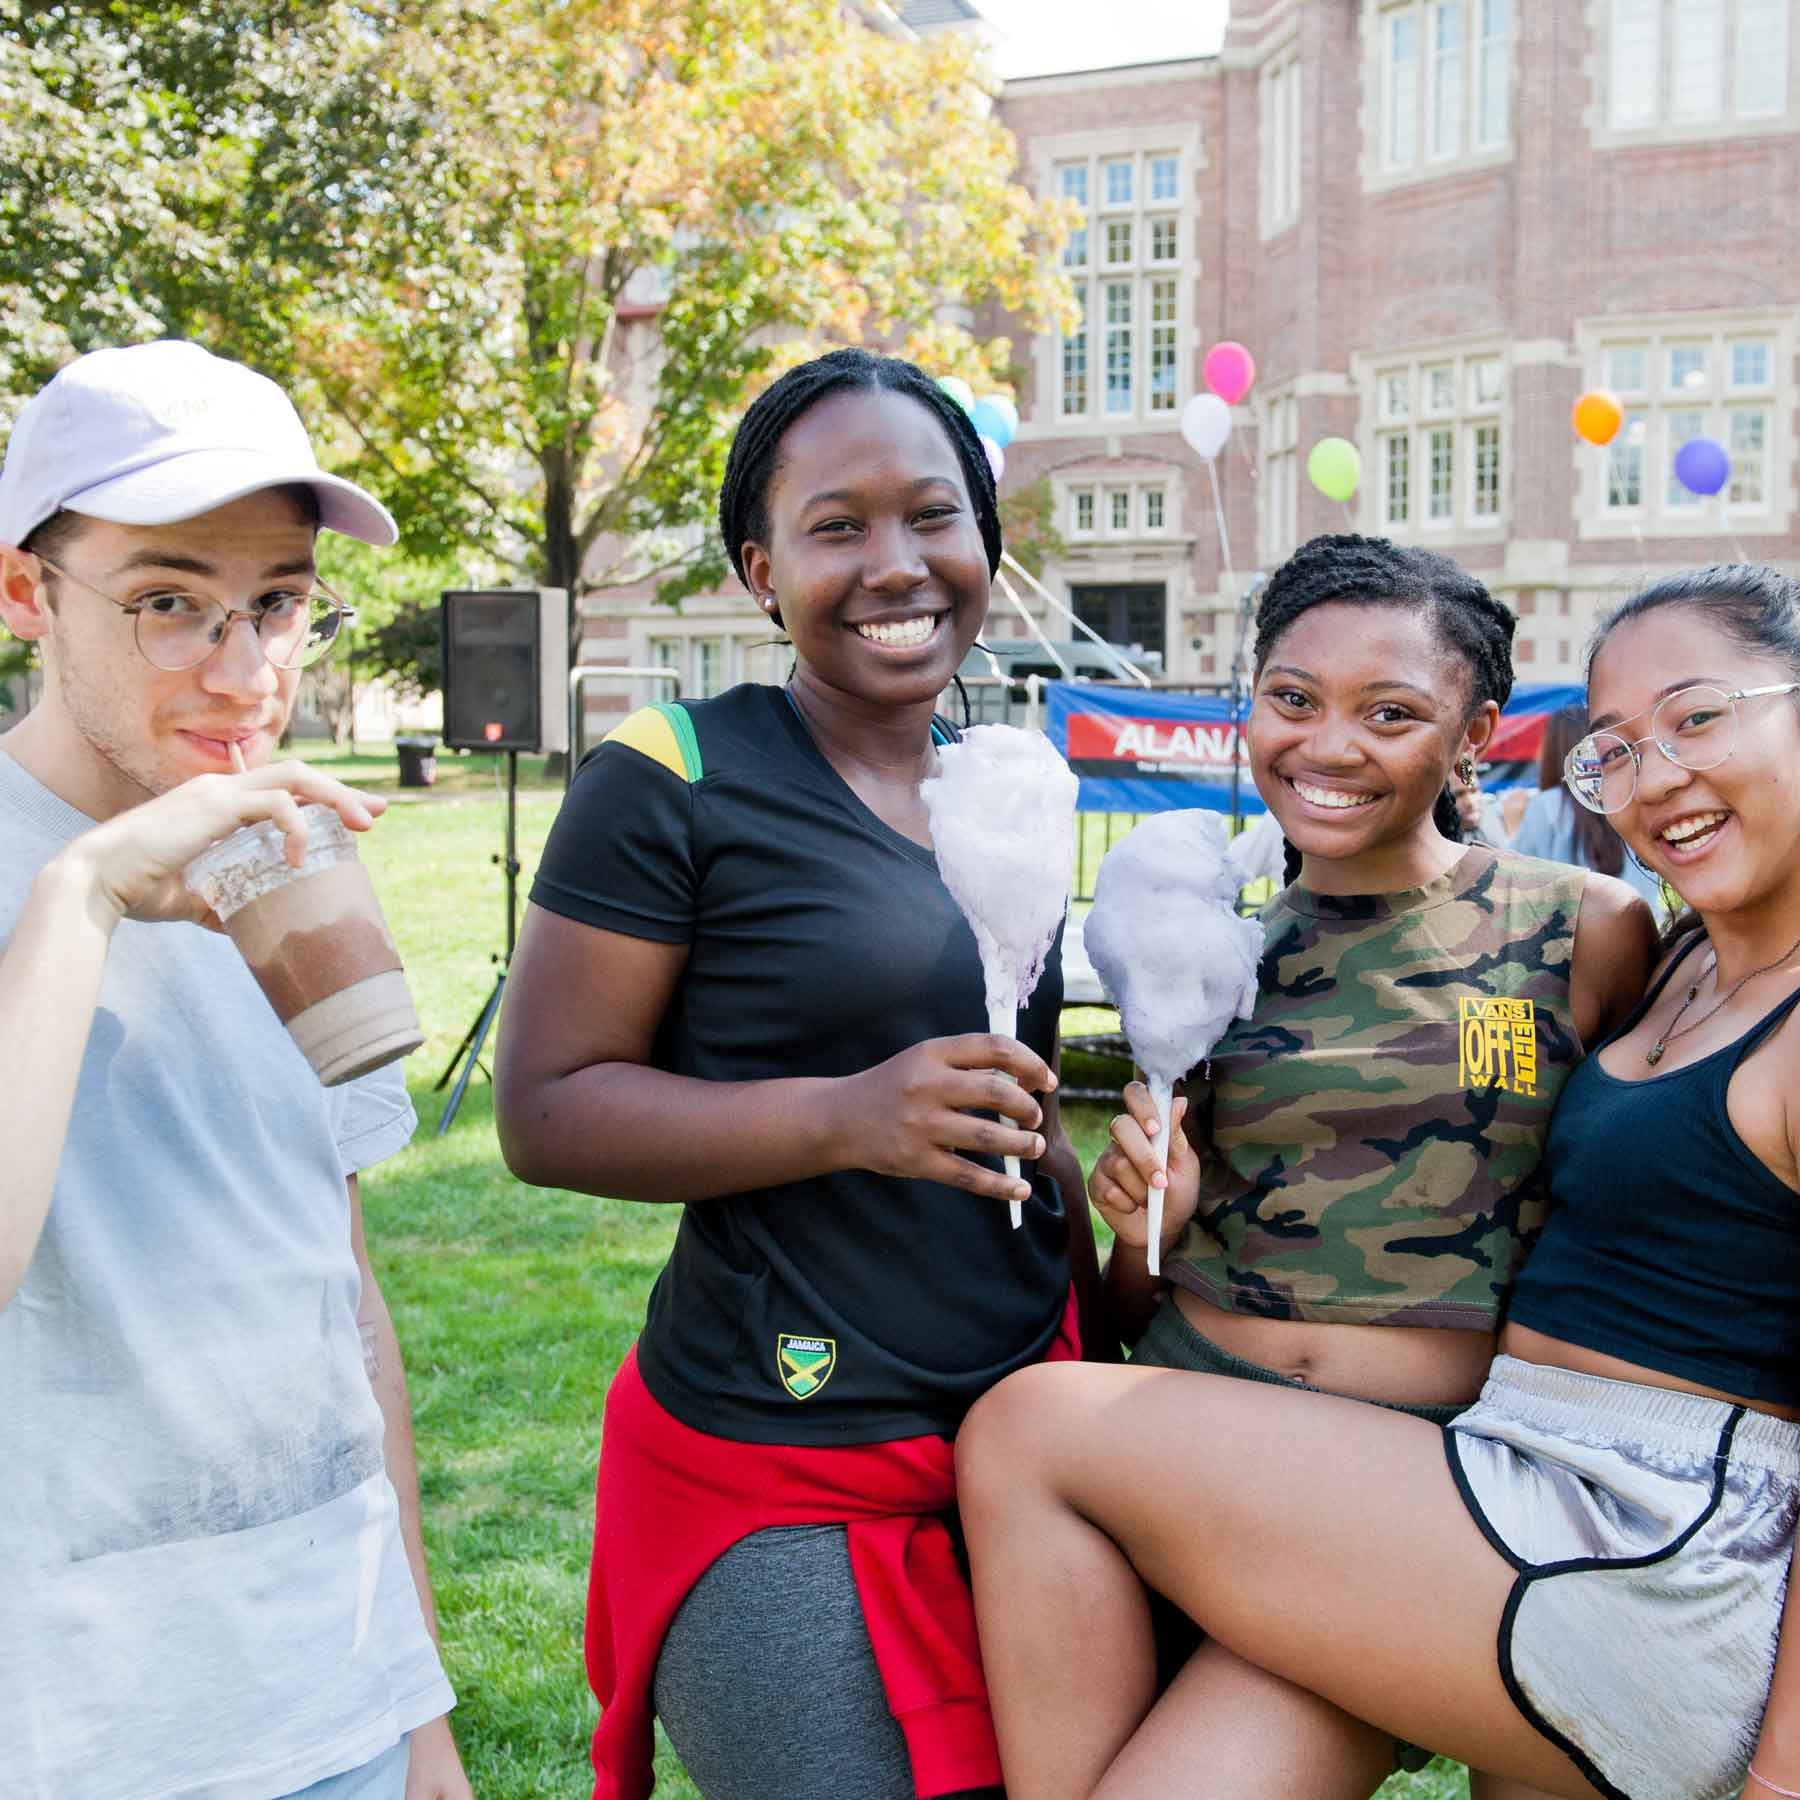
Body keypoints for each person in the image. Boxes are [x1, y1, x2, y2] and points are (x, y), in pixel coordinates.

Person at [956, 560, 1800, 1800]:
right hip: (1459, 1491)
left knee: (1029, 1427)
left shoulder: (1598, 933)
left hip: (1584, 1527)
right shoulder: (1689, 974)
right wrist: (1156, 1214)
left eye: (1698, 718)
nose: (1655, 773)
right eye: (1615, 746)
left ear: (1471, 741)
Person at [494, 347, 1102, 1800]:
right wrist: (849, 1117)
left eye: (932, 517)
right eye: (839, 527)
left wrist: (1110, 1188)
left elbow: (1011, 1103)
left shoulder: (996, 790)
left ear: (984, 541)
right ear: (762, 568)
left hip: (1034, 1445)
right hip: (785, 1456)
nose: (896, 565)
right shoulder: (675, 771)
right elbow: (547, 1110)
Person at [0, 341, 468, 1800]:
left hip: (330, 1699)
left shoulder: (285, 867)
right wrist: (81, 900)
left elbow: (345, 1309)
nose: (247, 671)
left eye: (277, 603)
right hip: (76, 1732)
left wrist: (421, 1711)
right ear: (24, 593)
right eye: (169, 606)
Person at [1513, 703, 1667, 913]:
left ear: (1551, 750)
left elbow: (1515, 879)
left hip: (1576, 938)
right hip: (1646, 930)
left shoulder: (1546, 807)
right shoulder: (1627, 796)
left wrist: (1510, 823)